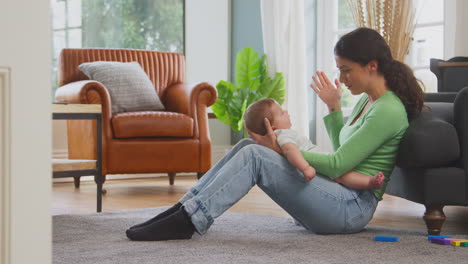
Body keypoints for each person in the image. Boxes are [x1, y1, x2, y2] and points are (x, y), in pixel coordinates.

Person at [125, 27, 424, 241]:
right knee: (247, 144)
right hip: (338, 195)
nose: (341, 78)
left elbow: (337, 165)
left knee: (257, 154)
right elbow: (342, 152)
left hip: (351, 208)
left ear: (371, 67)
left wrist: (280, 149)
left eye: (346, 71)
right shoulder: (365, 100)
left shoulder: (387, 109)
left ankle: (189, 220)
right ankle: (184, 208)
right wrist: (334, 108)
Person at [243, 97, 384, 189]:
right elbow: (290, 151)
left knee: (342, 174)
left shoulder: (282, 134)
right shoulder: (282, 135)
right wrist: (305, 168)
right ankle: (369, 182)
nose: (285, 112)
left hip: (317, 160)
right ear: (272, 127)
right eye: (281, 113)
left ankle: (368, 181)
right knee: (341, 175)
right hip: (315, 165)